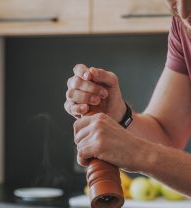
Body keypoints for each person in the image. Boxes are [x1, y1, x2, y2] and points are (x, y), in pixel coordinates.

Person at [64, 1, 191, 197]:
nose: (183, 11)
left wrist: (141, 154)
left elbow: (152, 152)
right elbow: (166, 135)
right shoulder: (183, 29)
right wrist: (119, 115)